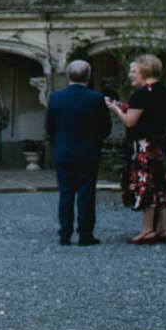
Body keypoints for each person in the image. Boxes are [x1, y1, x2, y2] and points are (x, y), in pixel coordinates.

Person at [107, 54, 166, 245]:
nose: (130, 74)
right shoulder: (163, 91)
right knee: (162, 185)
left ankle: (147, 230)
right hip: (161, 145)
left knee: (145, 184)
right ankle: (163, 228)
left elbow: (130, 122)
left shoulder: (141, 94)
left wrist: (116, 110)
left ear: (144, 71)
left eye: (133, 70)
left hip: (144, 145)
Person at [45, 60, 112, 246]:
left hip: (63, 151)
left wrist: (57, 143)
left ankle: (64, 234)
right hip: (88, 152)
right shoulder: (96, 99)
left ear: (68, 76)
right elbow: (106, 128)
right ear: (88, 77)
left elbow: (49, 127)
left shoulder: (56, 98)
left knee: (65, 193)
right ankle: (85, 234)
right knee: (86, 193)